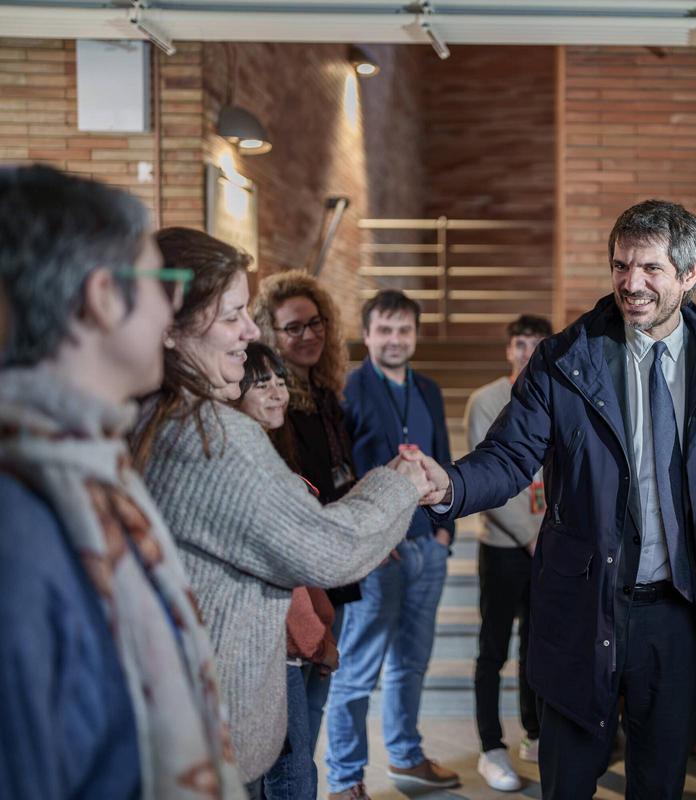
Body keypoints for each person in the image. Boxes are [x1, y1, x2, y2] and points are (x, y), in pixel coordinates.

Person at [408, 199, 696, 799]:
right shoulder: (565, 358)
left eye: (650, 268)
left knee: (660, 782)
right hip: (582, 604)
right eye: (621, 266)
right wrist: (450, 485)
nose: (632, 283)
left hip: (680, 611)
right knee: (568, 781)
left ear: (689, 274)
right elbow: (510, 456)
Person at [132, 227, 433, 794]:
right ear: (171, 326)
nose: (251, 331)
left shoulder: (147, 412)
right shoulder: (210, 434)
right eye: (232, 316)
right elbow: (327, 549)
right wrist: (398, 483)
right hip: (207, 738)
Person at [0, 165, 243, 798]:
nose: (172, 304)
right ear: (104, 296)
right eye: (163, 280)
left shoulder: (88, 466)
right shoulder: (20, 521)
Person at [324, 289, 459, 795]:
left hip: (428, 548)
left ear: (416, 335)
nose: (395, 339)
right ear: (368, 333)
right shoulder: (350, 389)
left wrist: (446, 532)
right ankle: (344, 778)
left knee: (412, 664)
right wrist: (368, 540)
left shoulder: (428, 389)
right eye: (384, 329)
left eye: (404, 329)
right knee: (357, 672)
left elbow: (444, 461)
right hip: (377, 556)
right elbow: (341, 473)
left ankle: (405, 756)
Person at [251, 271, 363, 745]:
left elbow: (339, 474)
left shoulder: (323, 394)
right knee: (293, 725)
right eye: (293, 328)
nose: (309, 335)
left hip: (333, 562)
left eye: (315, 323)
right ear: (268, 334)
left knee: (315, 706)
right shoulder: (271, 412)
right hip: (299, 574)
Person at [235, 342, 339, 800]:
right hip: (263, 646)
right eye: (262, 384)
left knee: (288, 765)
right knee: (289, 771)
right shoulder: (240, 465)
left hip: (287, 645)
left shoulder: (270, 454)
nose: (278, 391)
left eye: (280, 380)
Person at [465, 314, 553, 791]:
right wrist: (528, 534)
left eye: (538, 344)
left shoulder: (556, 394)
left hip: (548, 546)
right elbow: (487, 478)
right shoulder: (486, 400)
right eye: (520, 343)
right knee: (492, 650)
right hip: (504, 547)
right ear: (508, 349)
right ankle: (489, 745)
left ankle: (533, 732)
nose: (527, 352)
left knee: (536, 645)